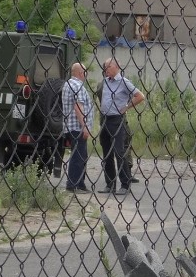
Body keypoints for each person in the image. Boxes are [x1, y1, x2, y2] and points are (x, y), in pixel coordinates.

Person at [98, 58, 145, 195]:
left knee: (119, 152)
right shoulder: (105, 82)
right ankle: (110, 184)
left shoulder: (123, 82)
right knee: (107, 153)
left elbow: (140, 96)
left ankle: (125, 184)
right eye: (105, 67)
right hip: (105, 119)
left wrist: (126, 107)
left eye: (108, 67)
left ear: (116, 67)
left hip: (117, 120)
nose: (106, 69)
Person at [96, 79, 139, 184]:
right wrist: (125, 106)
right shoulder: (111, 84)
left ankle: (114, 180)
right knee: (123, 147)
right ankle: (126, 174)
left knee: (111, 151)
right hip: (117, 118)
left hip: (106, 117)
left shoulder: (101, 84)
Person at [62, 63, 94, 192]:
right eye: (85, 72)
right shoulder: (77, 86)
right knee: (78, 156)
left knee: (82, 154)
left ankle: (80, 183)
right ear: (81, 73)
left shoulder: (68, 84)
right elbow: (78, 107)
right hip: (77, 127)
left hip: (70, 126)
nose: (86, 75)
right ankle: (73, 184)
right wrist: (85, 126)